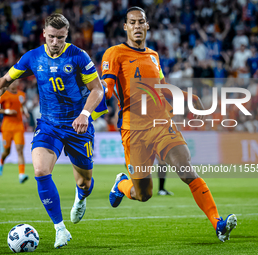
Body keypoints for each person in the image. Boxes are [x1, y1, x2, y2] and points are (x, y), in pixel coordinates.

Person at [101, 7, 237, 242]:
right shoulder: (114, 53)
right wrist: (104, 94)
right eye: (131, 22)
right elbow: (108, 85)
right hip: (134, 130)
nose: (136, 26)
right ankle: (122, 184)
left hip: (162, 123)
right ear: (125, 27)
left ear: (147, 26)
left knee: (186, 169)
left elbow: (161, 88)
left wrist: (186, 96)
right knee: (143, 194)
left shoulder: (153, 55)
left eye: (140, 22)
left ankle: (218, 223)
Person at [0, 13, 107, 248]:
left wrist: (85, 114)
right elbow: (3, 82)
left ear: (66, 35)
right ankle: (60, 229)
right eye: (51, 37)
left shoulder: (79, 56)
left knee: (85, 184)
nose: (55, 42)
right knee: (39, 170)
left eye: (60, 37)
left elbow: (97, 90)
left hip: (77, 125)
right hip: (49, 124)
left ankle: (81, 197)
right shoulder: (33, 57)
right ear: (44, 34)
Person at [0, 80, 29, 183]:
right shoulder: (4, 95)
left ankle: (21, 175)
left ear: (18, 82)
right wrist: (6, 111)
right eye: (12, 81)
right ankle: (1, 162)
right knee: (7, 151)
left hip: (19, 126)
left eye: (16, 81)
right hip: (7, 127)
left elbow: (22, 106)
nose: (14, 83)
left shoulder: (22, 95)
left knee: (19, 150)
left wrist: (25, 112)